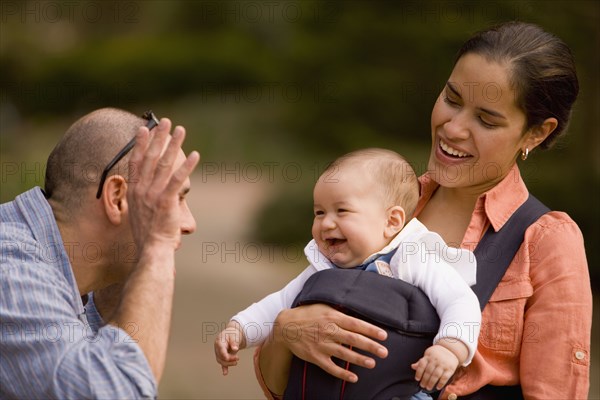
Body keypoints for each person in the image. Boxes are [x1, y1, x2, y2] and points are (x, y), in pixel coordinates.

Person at [255, 22, 593, 399]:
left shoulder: (546, 241)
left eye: (485, 120)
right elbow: (278, 387)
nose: (454, 128)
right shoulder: (374, 206)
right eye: (451, 99)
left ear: (536, 133)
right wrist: (286, 331)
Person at [215, 148, 482, 395]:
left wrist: (450, 348)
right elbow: (279, 304)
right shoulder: (322, 269)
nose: (326, 223)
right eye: (319, 212)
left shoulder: (412, 257)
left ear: (392, 221)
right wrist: (239, 329)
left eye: (342, 211)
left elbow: (459, 299)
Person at [0, 108, 200, 398]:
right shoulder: (14, 276)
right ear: (117, 198)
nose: (189, 224)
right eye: (173, 200)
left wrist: (118, 296)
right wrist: (155, 249)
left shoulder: (56, 274)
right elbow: (119, 392)